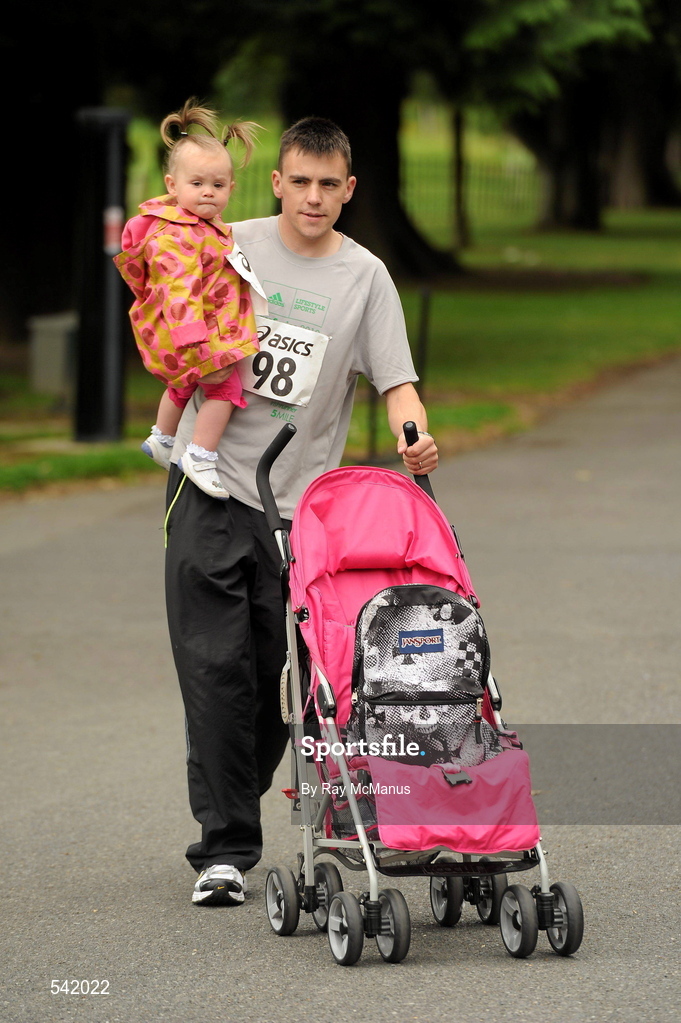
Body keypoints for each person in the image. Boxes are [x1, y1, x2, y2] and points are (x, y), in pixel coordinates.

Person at [164, 116, 439, 906]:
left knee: (280, 676)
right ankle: (223, 847)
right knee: (213, 671)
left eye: (329, 185)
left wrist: (413, 437)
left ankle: (236, 799)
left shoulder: (366, 277)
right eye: (299, 181)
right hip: (207, 483)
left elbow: (396, 382)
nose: (312, 197)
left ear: (348, 191)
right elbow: (158, 268)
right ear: (276, 182)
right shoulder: (228, 242)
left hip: (298, 511)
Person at [115, 99, 265, 499]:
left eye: (217, 186)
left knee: (183, 387)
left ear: (231, 188)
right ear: (172, 186)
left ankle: (162, 437)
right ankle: (199, 455)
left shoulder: (200, 226)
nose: (207, 194)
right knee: (226, 390)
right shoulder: (179, 235)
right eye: (196, 184)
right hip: (198, 336)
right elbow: (178, 288)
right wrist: (193, 342)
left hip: (196, 334)